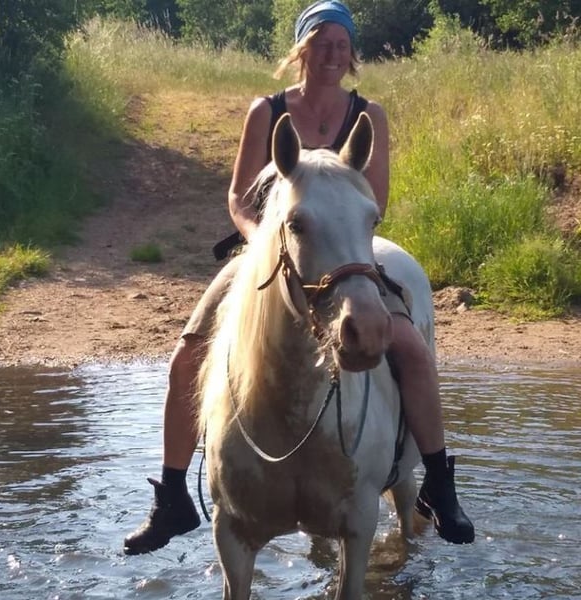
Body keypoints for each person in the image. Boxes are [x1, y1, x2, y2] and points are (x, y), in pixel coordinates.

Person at [123, 0, 475, 556]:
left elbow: (375, 200)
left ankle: (438, 483)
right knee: (187, 355)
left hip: (348, 254)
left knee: (410, 348)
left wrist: (343, 238)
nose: (332, 54)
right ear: (301, 50)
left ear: (351, 53)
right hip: (269, 252)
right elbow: (239, 198)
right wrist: (264, 241)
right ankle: (171, 497)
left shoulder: (369, 115)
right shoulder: (266, 111)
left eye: (342, 45)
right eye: (321, 44)